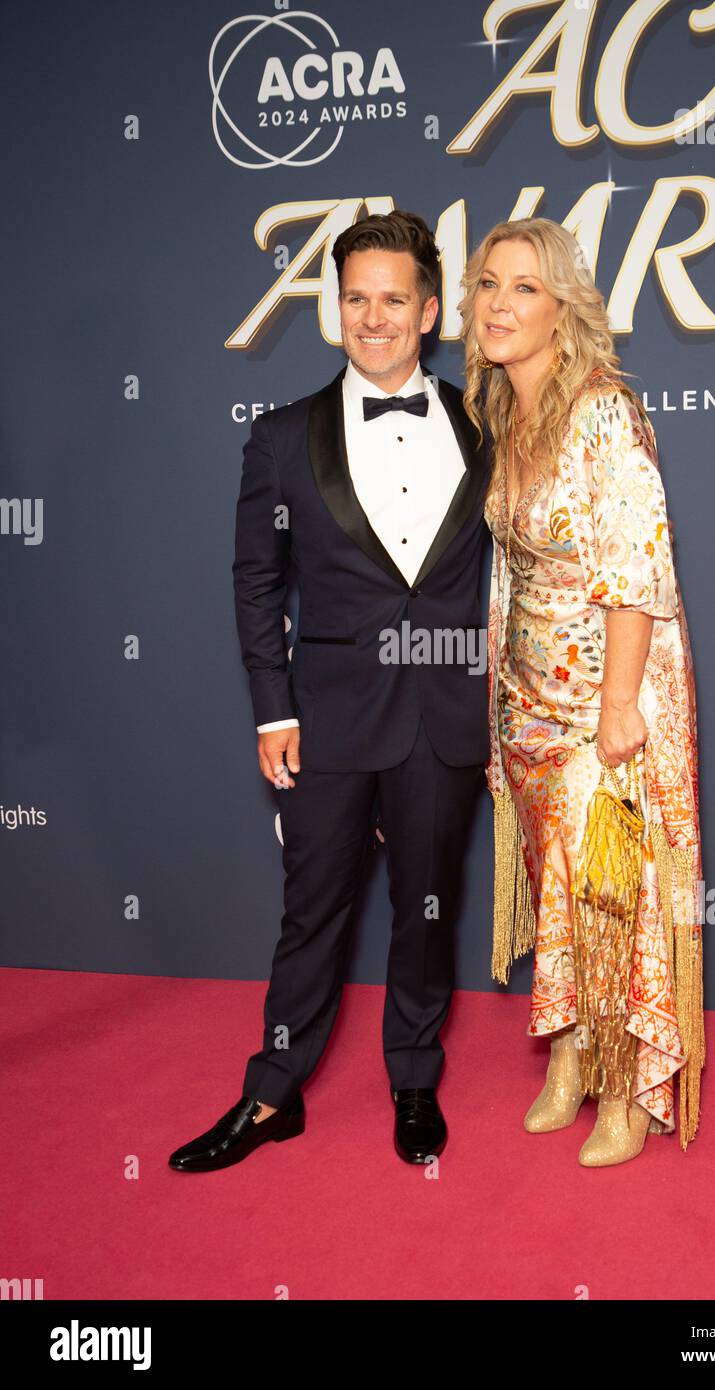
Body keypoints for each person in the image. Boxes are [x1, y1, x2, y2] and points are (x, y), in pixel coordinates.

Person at [169, 210, 489, 1173]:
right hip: (328, 718)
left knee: (428, 905)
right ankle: (273, 1093)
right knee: (312, 909)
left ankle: (414, 1076)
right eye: (356, 298)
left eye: (395, 299)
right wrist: (274, 705)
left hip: (444, 715)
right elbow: (257, 580)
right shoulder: (279, 437)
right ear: (333, 307)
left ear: (429, 311)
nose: (374, 317)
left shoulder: (485, 423)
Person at [460, 217, 704, 1166]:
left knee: (609, 893)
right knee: (554, 885)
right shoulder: (507, 414)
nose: (498, 304)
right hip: (524, 704)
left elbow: (637, 565)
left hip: (602, 700)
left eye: (524, 287)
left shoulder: (603, 408)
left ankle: (625, 1091)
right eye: (488, 284)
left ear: (564, 307)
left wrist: (619, 708)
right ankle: (566, 1056)